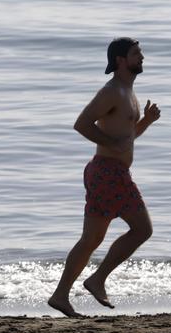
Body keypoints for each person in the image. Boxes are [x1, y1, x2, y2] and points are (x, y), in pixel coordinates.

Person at [48, 37, 161, 318]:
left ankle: (62, 295)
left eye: (140, 52)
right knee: (140, 230)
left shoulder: (127, 92)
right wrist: (111, 145)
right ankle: (95, 280)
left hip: (110, 173)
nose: (142, 57)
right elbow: (81, 123)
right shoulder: (111, 91)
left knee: (93, 239)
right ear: (121, 60)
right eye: (136, 53)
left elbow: (125, 137)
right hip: (108, 172)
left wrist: (145, 122)